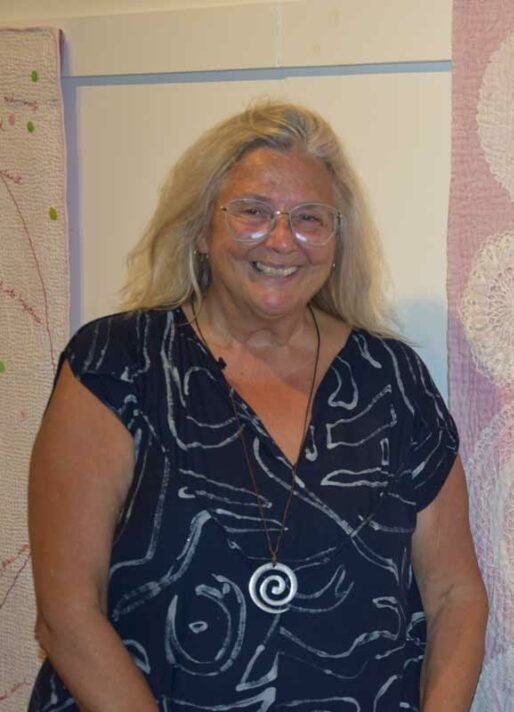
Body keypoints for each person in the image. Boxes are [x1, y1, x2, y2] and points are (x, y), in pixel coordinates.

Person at [27, 101, 487, 711]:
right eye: (251, 211)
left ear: (335, 239)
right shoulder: (118, 364)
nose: (280, 240)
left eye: (309, 219)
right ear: (200, 229)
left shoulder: (393, 380)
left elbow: (456, 593)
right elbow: (66, 616)